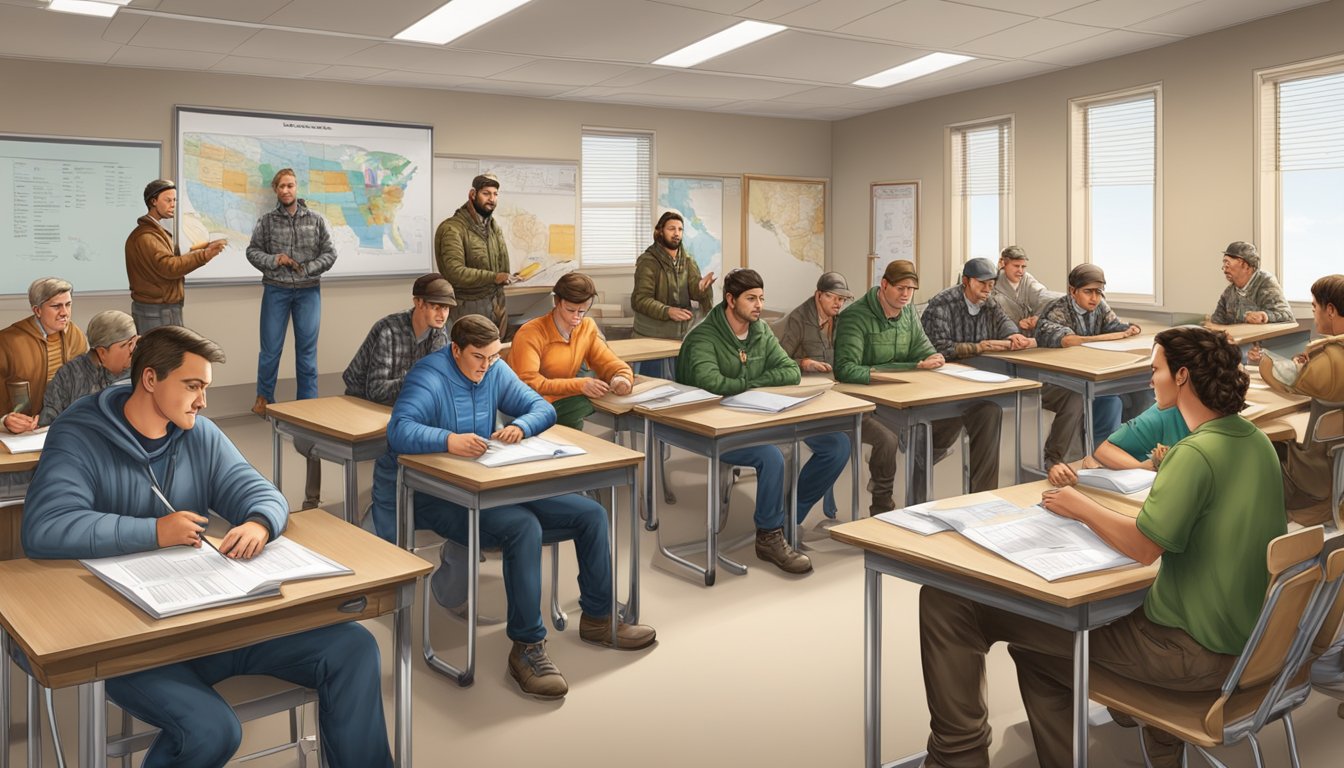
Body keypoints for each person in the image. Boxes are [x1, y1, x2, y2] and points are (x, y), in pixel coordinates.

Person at [21, 325, 393, 768]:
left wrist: (259, 523)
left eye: (205, 388)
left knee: (353, 647)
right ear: (151, 380)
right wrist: (153, 532)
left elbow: (263, 494)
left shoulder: (198, 433)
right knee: (213, 730)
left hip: (215, 624)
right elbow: (45, 527)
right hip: (133, 647)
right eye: (193, 386)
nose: (203, 401)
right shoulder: (79, 434)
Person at [919, 325, 1286, 768]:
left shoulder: (1194, 454)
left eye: (1156, 370)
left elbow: (1144, 548)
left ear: (1183, 375)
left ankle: (957, 756)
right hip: (1251, 645)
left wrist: (1079, 507)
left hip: (1186, 654)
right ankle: (1160, 742)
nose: (1150, 380)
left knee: (958, 606)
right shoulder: (1257, 443)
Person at [386, 314, 656, 701]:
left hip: (494, 483)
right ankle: (527, 648)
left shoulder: (494, 370)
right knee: (522, 527)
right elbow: (398, 431)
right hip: (441, 495)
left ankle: (598, 619)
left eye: (493, 357)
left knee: (590, 514)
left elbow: (540, 407)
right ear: (456, 350)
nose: (486, 366)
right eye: (478, 357)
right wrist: (448, 440)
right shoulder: (429, 375)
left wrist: (522, 426)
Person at [676, 268, 849, 573]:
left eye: (761, 298)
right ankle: (768, 536)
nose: (759, 305)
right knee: (772, 455)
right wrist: (756, 380)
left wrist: (747, 381)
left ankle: (787, 519)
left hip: (760, 414)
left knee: (837, 445)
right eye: (751, 298)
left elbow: (790, 371)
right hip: (714, 427)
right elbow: (711, 382)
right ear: (730, 299)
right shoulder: (704, 337)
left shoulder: (760, 330)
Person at [245, 167, 337, 509]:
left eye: (291, 185)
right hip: (276, 291)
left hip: (309, 291)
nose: (286, 190)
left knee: (307, 354)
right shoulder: (268, 222)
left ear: (297, 188)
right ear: (275, 190)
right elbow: (252, 252)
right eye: (281, 186)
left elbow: (330, 253)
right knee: (270, 350)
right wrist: (275, 260)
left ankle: (306, 406)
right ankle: (263, 398)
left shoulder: (315, 219)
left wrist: (307, 267)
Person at [343, 273, 455, 541]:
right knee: (401, 443)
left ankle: (448, 523)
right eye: (436, 306)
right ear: (418, 302)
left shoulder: (439, 334)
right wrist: (420, 382)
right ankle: (381, 518)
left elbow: (441, 383)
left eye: (447, 308)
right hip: (363, 404)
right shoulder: (389, 331)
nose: (443, 314)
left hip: (404, 406)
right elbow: (377, 390)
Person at [914, 257, 1032, 497]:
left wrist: (1013, 336)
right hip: (941, 382)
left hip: (974, 382)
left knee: (990, 412)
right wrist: (981, 346)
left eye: (991, 284)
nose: (987, 290)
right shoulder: (942, 304)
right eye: (982, 284)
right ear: (966, 281)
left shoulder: (989, 302)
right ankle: (921, 463)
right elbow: (938, 348)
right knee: (947, 422)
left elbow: (1004, 323)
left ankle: (983, 498)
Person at [823, 265, 926, 514]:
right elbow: (845, 369)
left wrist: (932, 358)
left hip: (899, 396)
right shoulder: (854, 316)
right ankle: (882, 505)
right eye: (901, 288)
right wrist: (909, 366)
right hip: (859, 400)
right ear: (884, 285)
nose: (906, 294)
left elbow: (923, 349)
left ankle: (920, 497)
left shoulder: (909, 313)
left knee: (944, 421)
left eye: (911, 289)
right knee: (887, 440)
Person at [1251, 273, 1344, 525]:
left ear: (1331, 310)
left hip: (1314, 477)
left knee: (1256, 445)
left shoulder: (1332, 360)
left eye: (1314, 307)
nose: (1314, 314)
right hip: (1335, 465)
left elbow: (1284, 377)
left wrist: (1265, 360)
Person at [1035, 264, 1144, 470]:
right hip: (1055, 379)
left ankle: (1131, 453)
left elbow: (1116, 326)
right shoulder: (1056, 310)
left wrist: (1129, 328)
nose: (1094, 298)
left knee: (1143, 390)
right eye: (1088, 292)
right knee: (1100, 399)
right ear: (1072, 291)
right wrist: (1113, 335)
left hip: (1092, 375)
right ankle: (1057, 461)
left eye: (1098, 292)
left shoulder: (1100, 306)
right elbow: (1068, 340)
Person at [509, 272, 633, 430]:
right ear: (556, 302)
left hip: (565, 400)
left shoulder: (586, 327)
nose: (577, 318)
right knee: (585, 407)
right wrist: (579, 385)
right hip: (532, 406)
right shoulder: (531, 333)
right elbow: (529, 383)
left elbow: (608, 362)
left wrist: (621, 378)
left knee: (605, 407)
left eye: (582, 311)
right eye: (570, 310)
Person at [124, 178, 226, 332]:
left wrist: (204, 247)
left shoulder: (155, 232)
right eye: (168, 200)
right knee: (163, 356)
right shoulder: (146, 237)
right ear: (153, 201)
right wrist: (204, 255)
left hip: (161, 310)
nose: (173, 204)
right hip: (158, 312)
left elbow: (173, 258)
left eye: (175, 200)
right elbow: (169, 267)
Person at [631, 211, 716, 376]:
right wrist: (667, 311)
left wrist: (702, 288)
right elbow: (640, 300)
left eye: (680, 229)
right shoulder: (648, 262)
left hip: (681, 336)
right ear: (660, 231)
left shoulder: (688, 260)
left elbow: (693, 289)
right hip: (653, 337)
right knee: (656, 388)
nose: (677, 233)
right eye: (672, 229)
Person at [0, 277, 88, 433]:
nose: (64, 313)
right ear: (37, 310)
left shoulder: (75, 335)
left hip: (62, 426)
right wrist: (4, 420)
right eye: (56, 306)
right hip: (19, 434)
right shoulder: (7, 342)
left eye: (68, 305)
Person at [436, 173, 514, 337]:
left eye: (495, 194)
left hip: (496, 305)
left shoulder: (494, 227)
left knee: (493, 357)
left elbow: (502, 266)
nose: (492, 199)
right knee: (468, 357)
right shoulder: (452, 228)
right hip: (467, 308)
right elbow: (454, 272)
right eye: (486, 193)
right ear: (473, 194)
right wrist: (494, 277)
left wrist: (508, 276)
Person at [1046, 401, 1190, 487]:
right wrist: (1141, 467)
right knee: (1111, 402)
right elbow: (1103, 452)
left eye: (1157, 370)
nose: (1151, 381)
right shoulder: (1163, 413)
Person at [40, 309, 137, 425]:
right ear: (102, 352)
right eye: (127, 345)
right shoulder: (68, 375)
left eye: (134, 343)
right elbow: (47, 420)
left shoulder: (137, 372)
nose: (133, 351)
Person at [1210, 241, 1293, 325]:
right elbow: (1217, 320)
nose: (1224, 269)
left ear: (1245, 265)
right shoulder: (1228, 292)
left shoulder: (1266, 283)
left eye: (1227, 263)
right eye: (1224, 264)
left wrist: (1264, 316)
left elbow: (1287, 315)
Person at [991, 246, 1052, 334]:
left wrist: (1037, 318)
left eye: (1023, 267)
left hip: (1027, 337)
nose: (1020, 271)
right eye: (1016, 266)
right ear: (1004, 264)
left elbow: (1042, 296)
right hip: (1001, 335)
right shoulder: (993, 282)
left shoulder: (1027, 279)